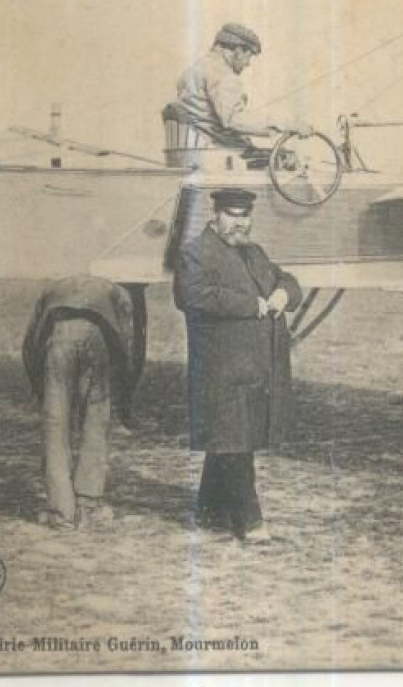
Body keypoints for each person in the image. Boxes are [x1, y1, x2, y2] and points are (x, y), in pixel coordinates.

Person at [173, 188, 303, 544]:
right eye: (232, 214)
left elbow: (288, 280)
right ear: (214, 215)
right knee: (235, 440)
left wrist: (282, 295)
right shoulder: (194, 253)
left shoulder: (254, 252)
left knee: (231, 437)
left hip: (255, 366)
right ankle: (250, 520)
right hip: (221, 368)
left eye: (245, 216)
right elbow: (192, 296)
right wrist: (252, 305)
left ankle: (209, 510)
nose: (240, 223)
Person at [21, 276, 143, 529]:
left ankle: (61, 510)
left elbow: (30, 343)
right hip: (96, 339)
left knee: (55, 422)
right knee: (96, 418)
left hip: (58, 337)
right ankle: (88, 504)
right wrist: (126, 391)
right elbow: (128, 344)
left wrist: (38, 387)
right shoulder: (119, 292)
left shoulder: (53, 287)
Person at [164, 23, 312, 159]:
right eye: (249, 56)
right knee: (287, 158)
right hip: (218, 154)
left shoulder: (194, 70)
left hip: (195, 150)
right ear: (238, 51)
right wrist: (288, 125)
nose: (248, 64)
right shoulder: (223, 75)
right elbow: (234, 120)